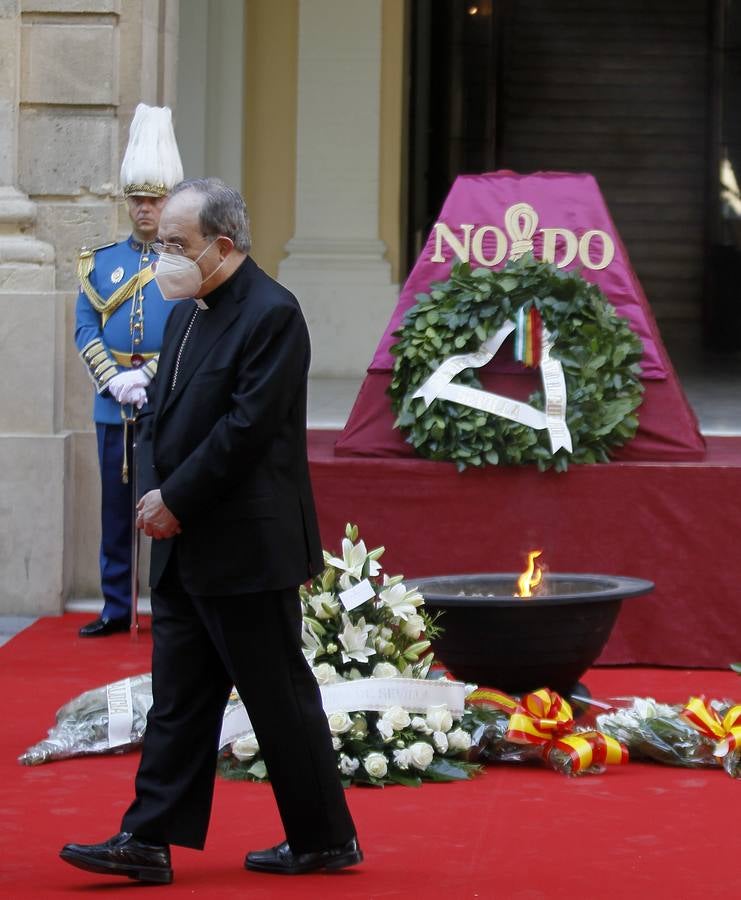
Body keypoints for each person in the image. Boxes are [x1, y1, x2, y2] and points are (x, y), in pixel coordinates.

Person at [60, 178, 362, 883]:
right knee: (179, 699)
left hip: (244, 546)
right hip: (182, 541)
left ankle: (324, 838)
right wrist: (152, 491)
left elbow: (247, 431)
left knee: (276, 697)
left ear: (222, 246)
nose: (161, 256)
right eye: (160, 241)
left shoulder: (272, 314)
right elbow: (165, 412)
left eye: (175, 244)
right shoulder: (185, 310)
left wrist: (178, 498)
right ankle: (147, 840)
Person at [75, 104, 184, 637]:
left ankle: (166, 606)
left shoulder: (182, 265)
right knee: (115, 511)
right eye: (138, 200)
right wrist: (113, 377)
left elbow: (190, 331)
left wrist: (149, 376)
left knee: (164, 508)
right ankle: (117, 606)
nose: (145, 209)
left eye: (155, 200)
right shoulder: (100, 262)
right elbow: (84, 329)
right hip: (111, 403)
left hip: (163, 403)